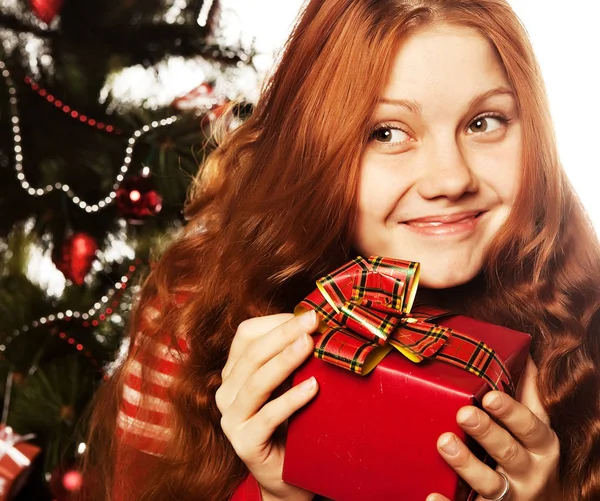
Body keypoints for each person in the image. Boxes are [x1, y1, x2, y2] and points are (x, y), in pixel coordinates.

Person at [80, 0, 600, 500]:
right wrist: (275, 496)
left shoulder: (586, 321)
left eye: (484, 122)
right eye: (387, 132)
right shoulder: (193, 312)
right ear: (315, 146)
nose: (450, 178)